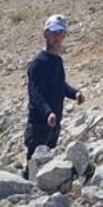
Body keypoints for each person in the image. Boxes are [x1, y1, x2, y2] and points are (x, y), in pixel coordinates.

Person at [24, 14, 85, 178]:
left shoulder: (57, 60)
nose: (57, 36)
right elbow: (34, 93)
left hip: (54, 123)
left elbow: (59, 85)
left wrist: (75, 93)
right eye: (53, 32)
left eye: (61, 32)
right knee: (34, 168)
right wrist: (47, 112)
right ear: (45, 34)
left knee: (48, 168)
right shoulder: (37, 62)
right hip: (38, 125)